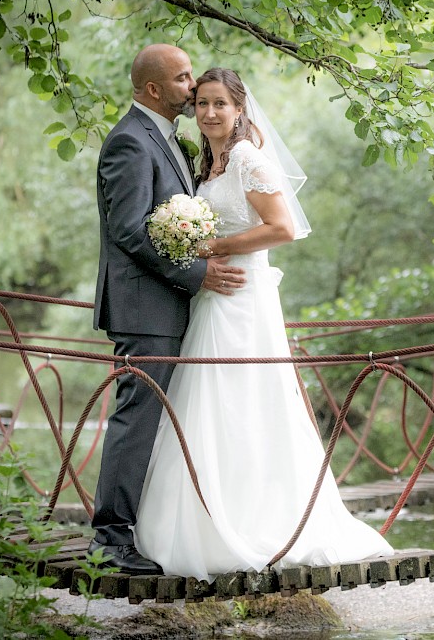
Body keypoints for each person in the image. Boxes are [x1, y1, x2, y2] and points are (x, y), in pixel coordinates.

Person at [133, 68, 393, 580]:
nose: (209, 113)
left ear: (238, 109)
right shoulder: (206, 164)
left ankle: (260, 522)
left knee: (246, 400)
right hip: (213, 297)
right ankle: (198, 520)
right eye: (202, 104)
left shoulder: (248, 158)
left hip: (244, 297)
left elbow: (283, 228)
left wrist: (214, 247)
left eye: (220, 105)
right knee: (205, 401)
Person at [91, 46, 247, 574]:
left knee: (162, 422)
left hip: (170, 306)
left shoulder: (170, 140)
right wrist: (198, 274)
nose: (192, 85)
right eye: (183, 79)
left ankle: (152, 530)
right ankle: (109, 541)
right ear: (154, 89)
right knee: (137, 420)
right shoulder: (130, 142)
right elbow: (131, 230)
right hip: (144, 309)